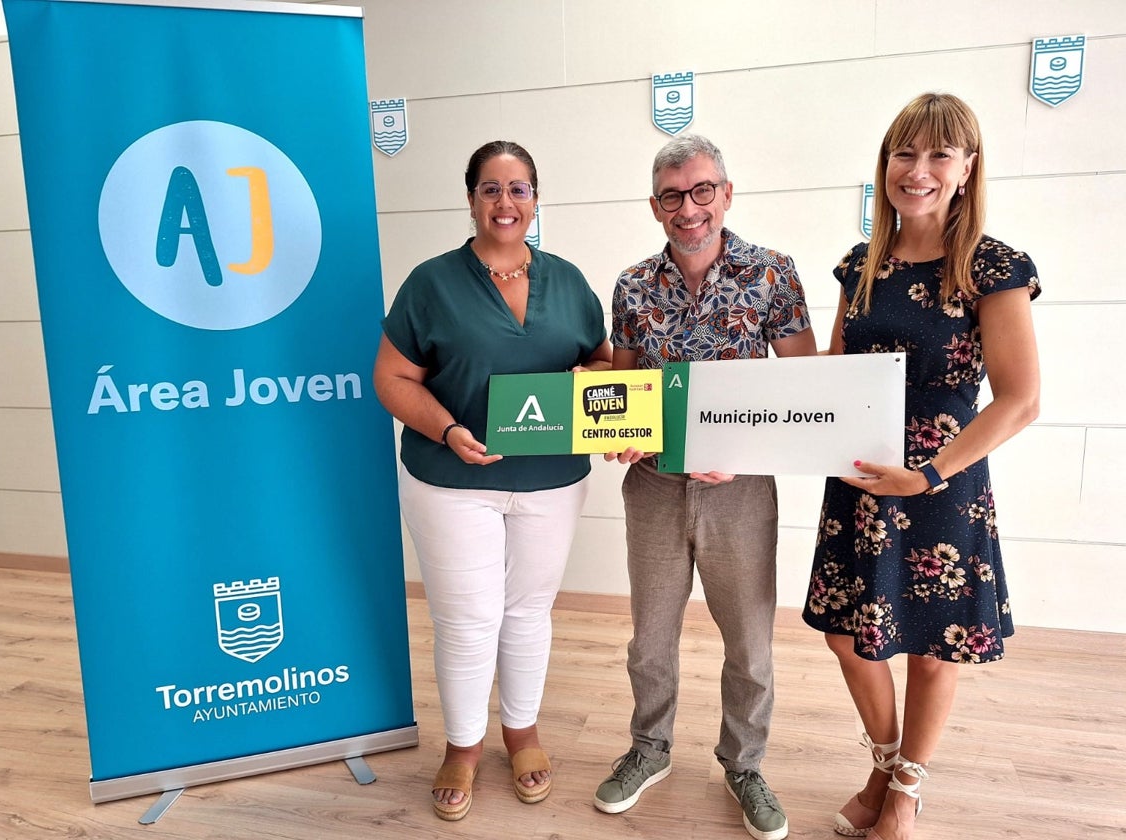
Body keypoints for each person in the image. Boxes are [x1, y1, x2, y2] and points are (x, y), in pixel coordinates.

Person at [802, 92, 1041, 840]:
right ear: (885, 167)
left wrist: (929, 474)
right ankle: (883, 762)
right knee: (850, 638)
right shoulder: (859, 264)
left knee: (933, 646)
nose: (919, 169)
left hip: (943, 482)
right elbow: (833, 375)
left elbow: (1019, 400)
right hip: (862, 477)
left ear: (967, 169)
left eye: (940, 154)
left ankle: (904, 792)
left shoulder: (991, 266)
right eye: (905, 153)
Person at [373, 140, 612, 821]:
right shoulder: (431, 283)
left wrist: (594, 380)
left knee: (528, 612)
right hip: (451, 478)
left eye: (519, 189)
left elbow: (600, 364)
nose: (506, 203)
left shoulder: (568, 281)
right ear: (472, 197)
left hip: (552, 480)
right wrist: (448, 430)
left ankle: (522, 731)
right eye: (491, 189)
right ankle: (464, 746)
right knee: (468, 618)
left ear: (536, 198)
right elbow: (390, 378)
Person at [593, 134, 817, 840]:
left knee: (749, 641)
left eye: (702, 191)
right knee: (649, 639)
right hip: (655, 484)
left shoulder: (774, 273)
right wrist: (613, 429)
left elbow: (806, 385)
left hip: (741, 491)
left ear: (725, 193)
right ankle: (649, 749)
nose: (689, 208)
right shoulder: (632, 284)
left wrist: (747, 448)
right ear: (655, 206)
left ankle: (744, 764)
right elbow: (620, 381)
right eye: (672, 195)